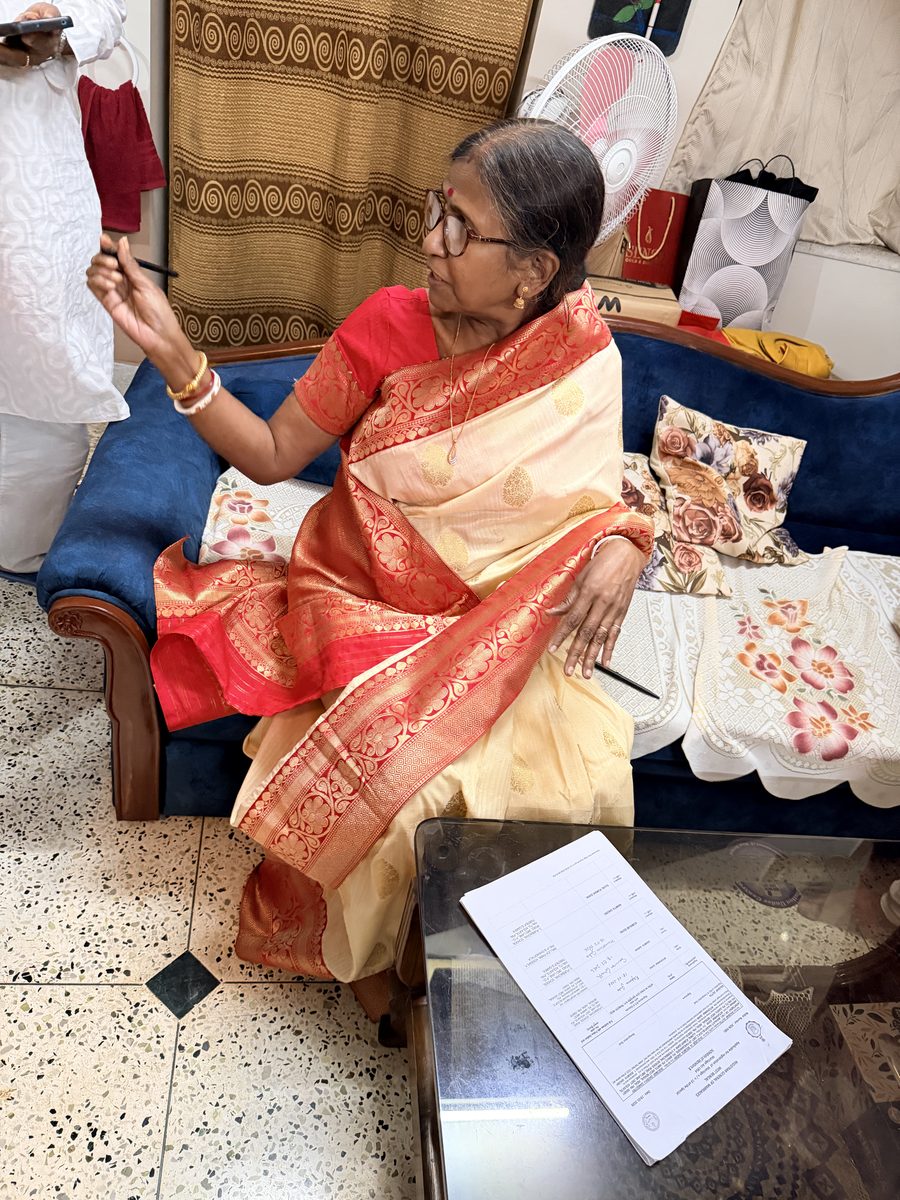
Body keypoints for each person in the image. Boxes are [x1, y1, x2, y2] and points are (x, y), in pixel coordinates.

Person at [87, 118, 654, 983]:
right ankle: (384, 973)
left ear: (535, 271)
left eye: (461, 228)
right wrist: (173, 352)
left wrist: (627, 541)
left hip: (490, 626)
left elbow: (586, 506)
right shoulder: (390, 323)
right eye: (438, 208)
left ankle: (471, 990)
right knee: (406, 785)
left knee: (568, 786)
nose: (430, 240)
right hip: (360, 592)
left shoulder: (581, 355)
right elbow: (272, 454)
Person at [0, 1, 127, 582]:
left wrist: (59, 32)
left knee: (45, 351)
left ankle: (24, 545)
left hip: (33, 179)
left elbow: (106, 10)